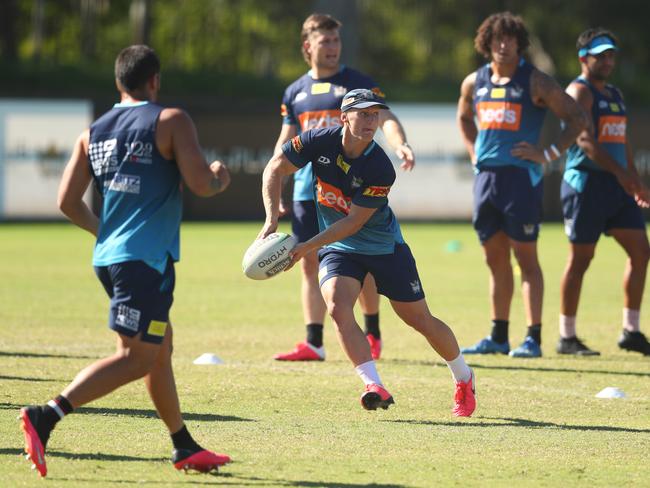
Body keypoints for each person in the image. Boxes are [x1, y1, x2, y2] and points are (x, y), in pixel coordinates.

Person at [20, 45, 232, 477]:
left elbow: (66, 202)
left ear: (119, 82)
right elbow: (201, 185)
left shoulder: (92, 131)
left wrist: (109, 235)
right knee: (138, 356)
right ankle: (47, 414)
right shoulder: (170, 120)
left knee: (159, 349)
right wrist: (219, 176)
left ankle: (182, 445)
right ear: (155, 80)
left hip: (111, 257)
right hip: (144, 261)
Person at [260, 88, 476, 416]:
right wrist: (271, 218)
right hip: (341, 249)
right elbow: (275, 168)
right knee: (336, 305)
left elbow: (354, 223)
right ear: (344, 117)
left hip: (383, 248)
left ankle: (464, 377)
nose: (370, 121)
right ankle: (372, 384)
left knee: (419, 319)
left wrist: (306, 246)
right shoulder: (316, 141)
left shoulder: (379, 167)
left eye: (374, 115)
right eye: (362, 114)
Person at [273, 13, 415, 362]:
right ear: (309, 46)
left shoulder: (357, 83)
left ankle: (373, 330)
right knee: (308, 260)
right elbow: (285, 142)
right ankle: (313, 341)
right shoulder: (295, 92)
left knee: (360, 259)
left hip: (350, 190)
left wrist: (399, 144)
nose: (334, 47)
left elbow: (387, 119)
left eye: (337, 40)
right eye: (326, 41)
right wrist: (277, 189)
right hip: (310, 192)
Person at [456, 12, 587, 358]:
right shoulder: (474, 82)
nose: (503, 44)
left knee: (526, 259)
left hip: (520, 180)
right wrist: (473, 152)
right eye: (497, 38)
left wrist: (550, 153)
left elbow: (577, 118)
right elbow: (464, 117)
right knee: (494, 260)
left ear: (519, 44)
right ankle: (498, 336)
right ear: (486, 42)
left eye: (510, 38)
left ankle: (533, 337)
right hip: (486, 180)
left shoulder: (536, 82)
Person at [557, 28, 650, 356]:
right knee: (581, 259)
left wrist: (634, 180)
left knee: (641, 251)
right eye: (601, 55)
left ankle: (631, 330)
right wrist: (623, 174)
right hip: (586, 185)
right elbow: (585, 141)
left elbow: (621, 139)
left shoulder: (615, 93)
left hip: (616, 185)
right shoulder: (579, 92)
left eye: (611, 55)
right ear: (584, 59)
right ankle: (566, 336)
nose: (608, 61)